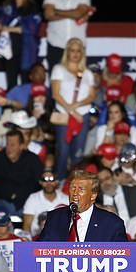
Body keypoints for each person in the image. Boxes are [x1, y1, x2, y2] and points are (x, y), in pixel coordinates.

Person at [38, 170, 128, 272]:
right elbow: (38, 255)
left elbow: (124, 266)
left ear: (93, 195)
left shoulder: (111, 224)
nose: (74, 193)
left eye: (81, 189)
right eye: (72, 188)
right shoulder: (55, 218)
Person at [51, 38, 96, 180]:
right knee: (63, 151)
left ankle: (75, 184)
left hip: (82, 115)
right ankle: (60, 180)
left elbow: (91, 96)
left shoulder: (88, 73)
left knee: (78, 153)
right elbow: (55, 94)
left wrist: (76, 107)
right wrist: (71, 112)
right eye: (72, 50)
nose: (75, 54)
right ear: (67, 52)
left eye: (78, 51)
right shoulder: (59, 69)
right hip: (64, 115)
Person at [0, 0, 41, 88]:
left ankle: (26, 105)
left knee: (27, 82)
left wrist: (8, 28)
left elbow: (31, 28)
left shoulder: (32, 7)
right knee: (11, 82)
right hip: (10, 51)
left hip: (27, 51)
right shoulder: (7, 6)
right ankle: (11, 104)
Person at [42, 0, 92, 73]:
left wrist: (56, 11)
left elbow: (79, 14)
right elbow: (48, 15)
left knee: (77, 78)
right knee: (54, 77)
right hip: (56, 44)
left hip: (77, 47)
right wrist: (72, 13)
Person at [0, 129, 43, 216]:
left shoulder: (33, 160)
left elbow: (40, 184)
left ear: (21, 146)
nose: (9, 148)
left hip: (26, 205)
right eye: (7, 144)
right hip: (1, 203)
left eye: (12, 145)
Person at [22, 169, 68, 236]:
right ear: (40, 182)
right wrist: (28, 242)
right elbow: (27, 224)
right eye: (45, 180)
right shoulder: (33, 198)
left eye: (52, 180)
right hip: (37, 239)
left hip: (60, 239)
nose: (49, 183)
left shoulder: (66, 199)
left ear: (57, 181)